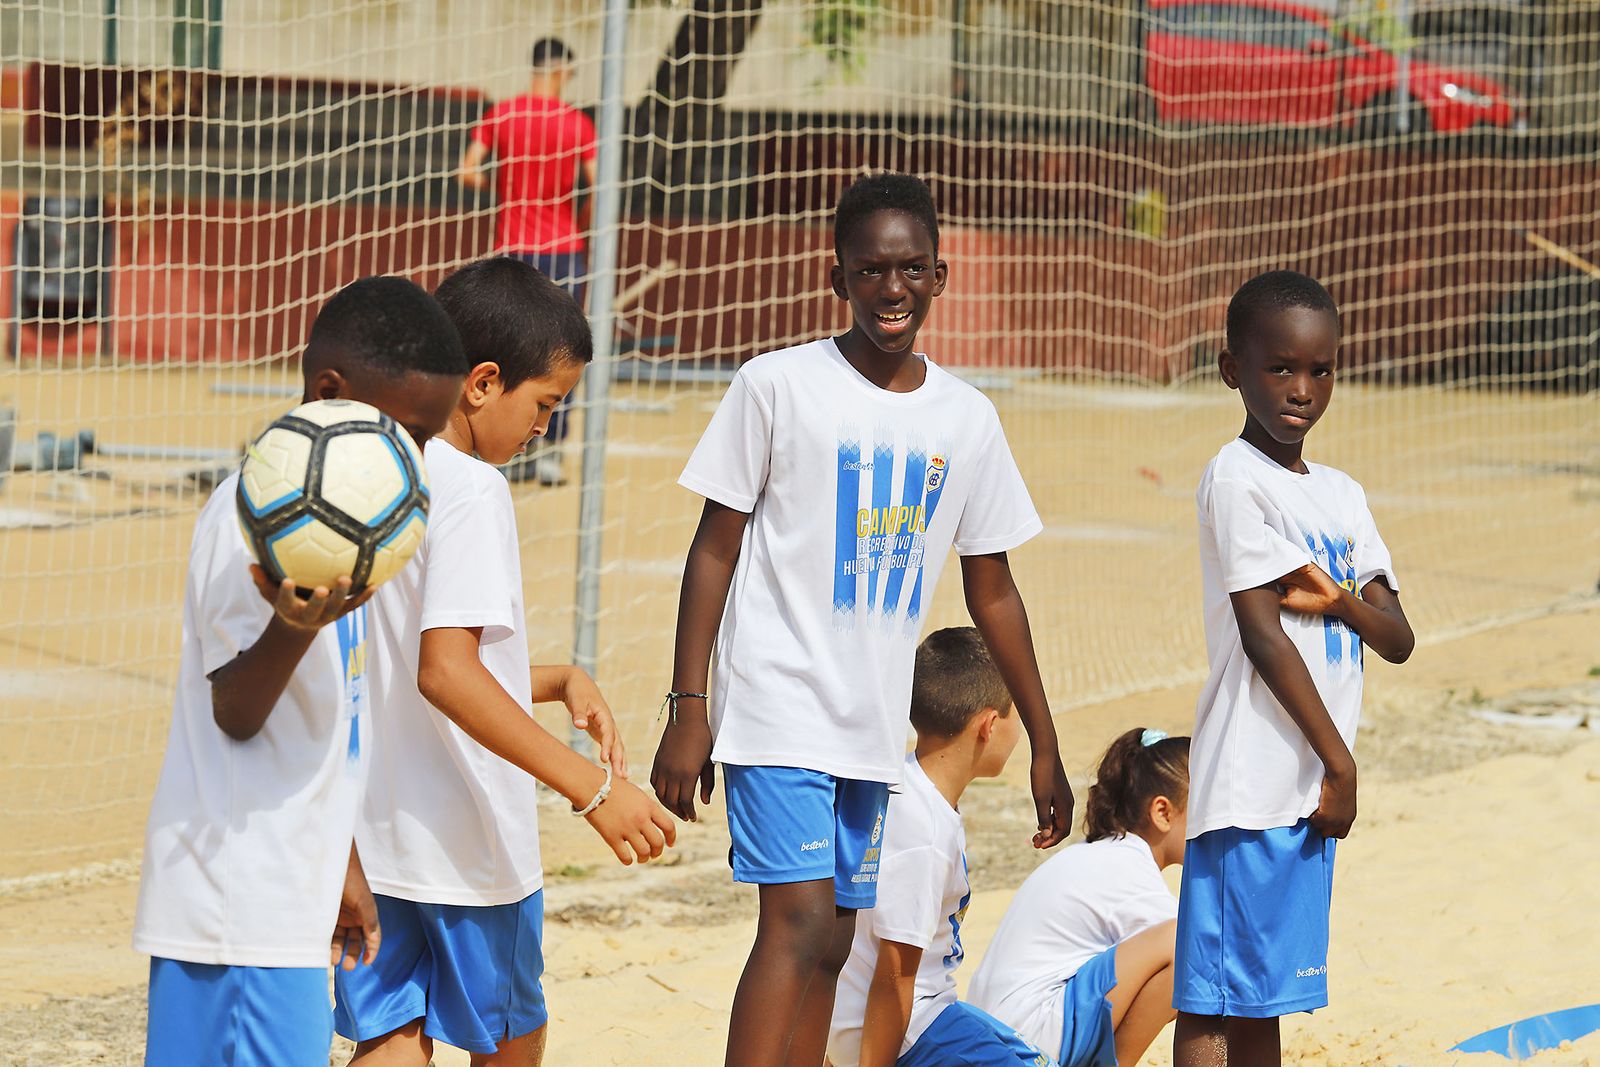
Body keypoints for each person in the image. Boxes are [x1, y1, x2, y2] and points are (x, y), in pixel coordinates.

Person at [651, 172, 1074, 1067]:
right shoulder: (777, 386)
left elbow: (991, 586)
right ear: (836, 275)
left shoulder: (966, 417)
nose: (893, 288)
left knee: (840, 939)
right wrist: (690, 707)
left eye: (912, 268)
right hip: (777, 705)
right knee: (799, 924)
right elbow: (712, 550)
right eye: (872, 269)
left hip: (872, 726)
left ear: (940, 275)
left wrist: (1043, 737)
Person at [333, 256, 676, 1067]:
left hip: (375, 832)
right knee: (516, 1036)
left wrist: (549, 676)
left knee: (391, 1035)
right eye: (547, 404)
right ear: (483, 382)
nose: (544, 428)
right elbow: (445, 673)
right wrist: (592, 787)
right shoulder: (473, 488)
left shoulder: (377, 465)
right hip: (469, 843)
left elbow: (407, 663)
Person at [133, 276, 471, 1066]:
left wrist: (340, 863)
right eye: (411, 432)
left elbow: (321, 718)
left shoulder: (336, 532)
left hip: (284, 893)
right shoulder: (255, 520)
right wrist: (293, 626)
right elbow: (236, 709)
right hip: (234, 906)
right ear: (329, 393)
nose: (416, 461)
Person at [1173, 270, 1415, 1067]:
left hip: (1299, 783)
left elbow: (1397, 634)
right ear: (1231, 370)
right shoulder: (1238, 479)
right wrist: (1339, 762)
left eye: (1319, 369)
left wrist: (1339, 599)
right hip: (1257, 777)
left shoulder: (1342, 495)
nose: (1301, 387)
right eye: (1279, 367)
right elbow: (1263, 633)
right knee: (1228, 999)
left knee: (1253, 994)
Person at [826, 627, 1054, 1067]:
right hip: (905, 1035)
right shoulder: (924, 832)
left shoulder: (905, 786)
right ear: (989, 726)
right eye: (1017, 715)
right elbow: (894, 977)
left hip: (904, 1018)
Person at [969, 727, 1190, 1067]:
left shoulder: (1107, 855)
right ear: (1162, 813)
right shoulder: (1125, 867)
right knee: (1188, 945)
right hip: (1024, 1042)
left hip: (996, 1036)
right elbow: (1201, 965)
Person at [459, 36, 597, 487]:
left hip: (513, 247)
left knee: (507, 351)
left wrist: (508, 192)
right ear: (563, 70)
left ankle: (499, 444)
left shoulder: (503, 114)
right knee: (562, 350)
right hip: (564, 249)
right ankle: (552, 451)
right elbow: (596, 185)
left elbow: (468, 169)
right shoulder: (577, 123)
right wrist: (580, 220)